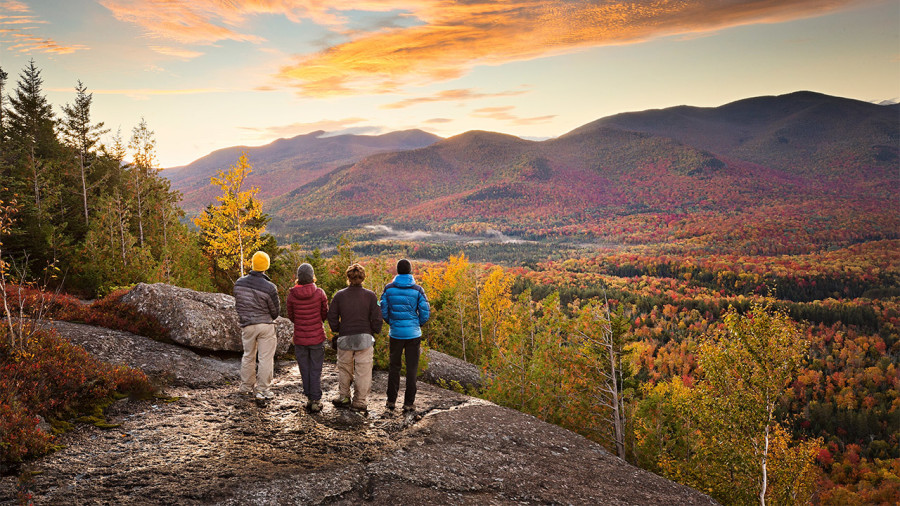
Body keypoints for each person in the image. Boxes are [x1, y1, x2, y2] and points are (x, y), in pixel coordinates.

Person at [327, 263, 383, 414]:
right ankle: (359, 401)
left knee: (345, 369)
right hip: (365, 337)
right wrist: (373, 331)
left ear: (348, 277)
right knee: (363, 371)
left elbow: (331, 315)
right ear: (363, 278)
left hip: (345, 337)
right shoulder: (371, 296)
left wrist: (337, 328)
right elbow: (377, 317)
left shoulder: (339, 295)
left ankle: (344, 397)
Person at [381, 259, 430, 413]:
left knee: (394, 367)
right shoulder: (418, 289)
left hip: (395, 333)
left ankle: (391, 401)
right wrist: (418, 324)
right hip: (413, 334)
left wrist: (392, 322)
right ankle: (409, 403)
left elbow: (384, 309)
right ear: (410, 271)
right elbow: (425, 312)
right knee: (412, 369)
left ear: (397, 271)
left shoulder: (388, 289)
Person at [233, 251, 280, 401]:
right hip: (265, 325)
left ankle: (246, 387)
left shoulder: (239, 283)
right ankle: (263, 390)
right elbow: (275, 312)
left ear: (253, 264)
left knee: (248, 356)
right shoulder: (270, 287)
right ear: (266, 265)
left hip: (247, 325)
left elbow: (239, 305)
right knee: (265, 358)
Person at [286, 263, 328, 413]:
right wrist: (317, 323)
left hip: (300, 338)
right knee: (316, 369)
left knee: (304, 369)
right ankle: (316, 400)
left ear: (299, 277)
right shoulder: (320, 293)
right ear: (312, 276)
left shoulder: (292, 295)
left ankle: (310, 398)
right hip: (317, 337)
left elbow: (292, 317)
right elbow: (325, 313)